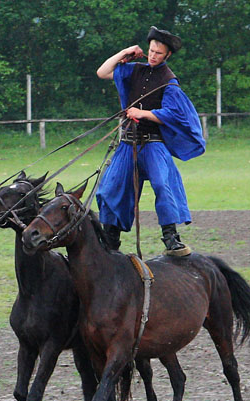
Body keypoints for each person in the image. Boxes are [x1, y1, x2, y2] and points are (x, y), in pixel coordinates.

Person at [96, 26, 205, 256]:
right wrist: (124, 52)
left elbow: (174, 114)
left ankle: (171, 237)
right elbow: (102, 72)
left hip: (153, 143)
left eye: (158, 52)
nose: (153, 55)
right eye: (151, 50)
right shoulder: (134, 70)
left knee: (162, 185)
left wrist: (143, 113)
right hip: (127, 143)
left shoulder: (169, 82)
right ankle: (110, 240)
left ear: (168, 55)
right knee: (109, 188)